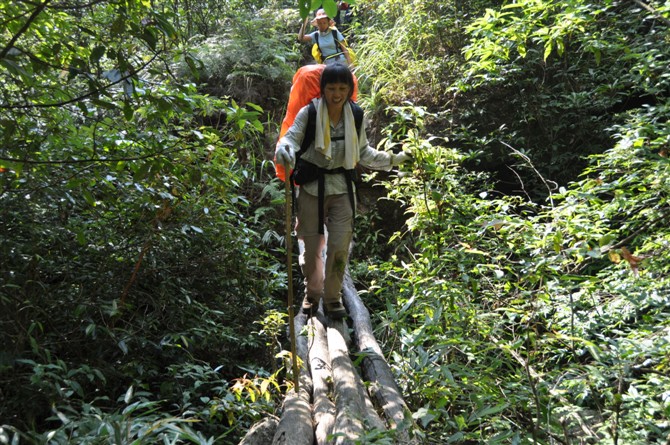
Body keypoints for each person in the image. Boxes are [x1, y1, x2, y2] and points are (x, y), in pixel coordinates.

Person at [275, 63, 411, 319]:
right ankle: (312, 293)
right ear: (322, 89)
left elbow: (364, 153)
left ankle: (333, 297)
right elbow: (291, 138)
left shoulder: (356, 115)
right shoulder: (310, 113)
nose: (336, 94)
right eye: (331, 88)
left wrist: (395, 160)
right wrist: (284, 150)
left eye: (342, 88)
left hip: (342, 189)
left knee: (339, 247)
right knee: (312, 248)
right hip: (312, 189)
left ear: (349, 90)